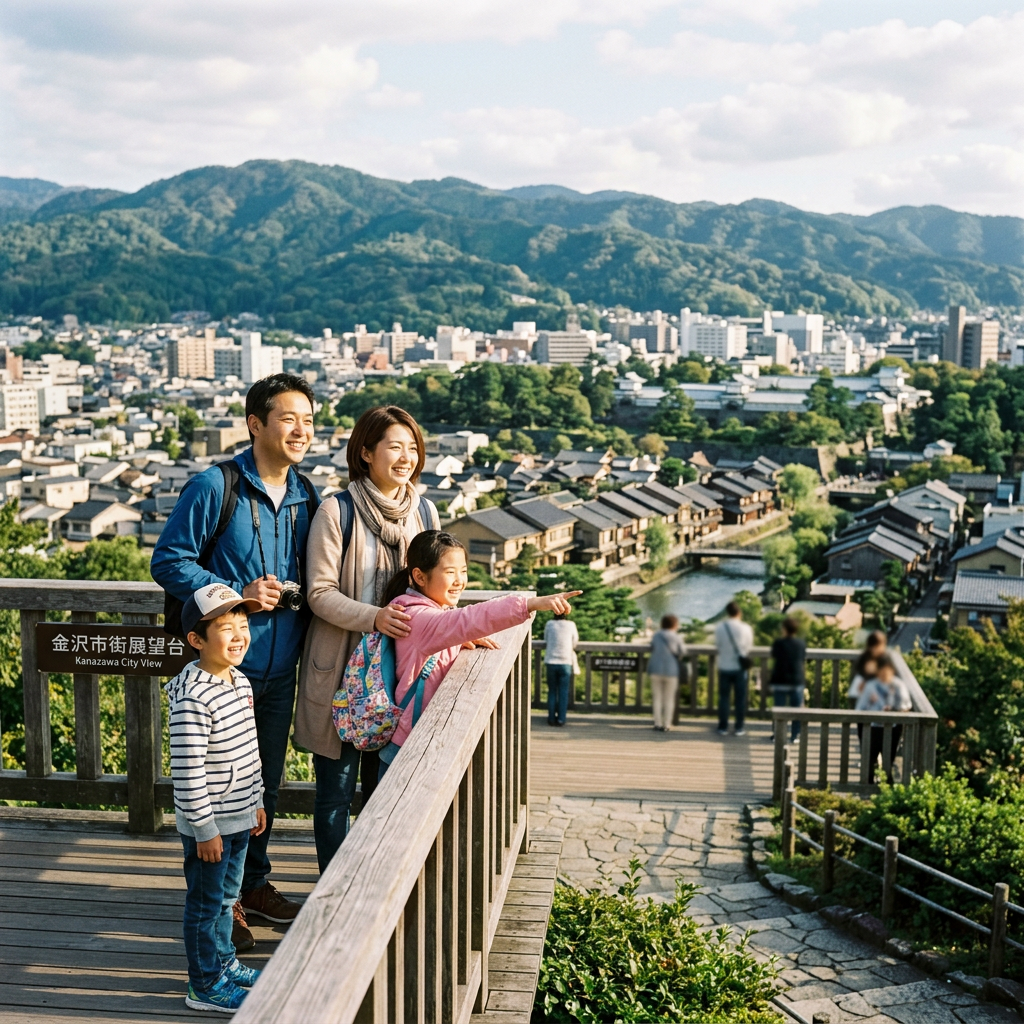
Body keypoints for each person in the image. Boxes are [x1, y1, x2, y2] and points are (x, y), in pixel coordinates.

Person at [152, 374, 318, 950]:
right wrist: (234, 593)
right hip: (224, 670)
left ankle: (254, 886)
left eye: (309, 420)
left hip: (279, 667)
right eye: (289, 418)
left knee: (259, 789)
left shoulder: (307, 495)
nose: (302, 430)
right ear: (255, 423)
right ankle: (222, 905)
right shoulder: (213, 486)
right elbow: (168, 560)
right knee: (214, 790)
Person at [295, 406, 439, 874]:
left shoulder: (425, 510)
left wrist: (459, 631)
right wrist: (375, 617)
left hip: (401, 672)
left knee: (389, 787)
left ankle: (376, 881)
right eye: (394, 446)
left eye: (412, 447)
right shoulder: (337, 511)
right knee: (336, 791)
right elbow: (318, 593)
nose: (406, 457)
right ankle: (332, 888)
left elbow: (438, 586)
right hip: (343, 669)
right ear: (365, 452)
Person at [376, 531, 582, 778]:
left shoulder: (423, 612)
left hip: (420, 738)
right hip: (409, 747)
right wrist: (530, 604)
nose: (459, 580)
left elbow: (449, 629)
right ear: (419, 576)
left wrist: (459, 639)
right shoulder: (419, 618)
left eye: (463, 571)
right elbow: (467, 618)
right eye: (450, 572)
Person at [167, 584, 265, 1013]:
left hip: (239, 816)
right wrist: (204, 831)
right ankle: (204, 983)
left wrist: (256, 800)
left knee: (228, 899)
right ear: (197, 640)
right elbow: (187, 774)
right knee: (206, 906)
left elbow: (249, 749)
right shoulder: (192, 696)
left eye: (243, 625)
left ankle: (224, 963)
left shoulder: (239, 679)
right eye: (226, 628)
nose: (239, 635)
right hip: (210, 827)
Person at [856, 653, 911, 783]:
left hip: (892, 728)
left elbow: (906, 706)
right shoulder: (870, 686)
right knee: (870, 759)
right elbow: (860, 708)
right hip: (872, 727)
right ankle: (868, 784)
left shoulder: (898, 685)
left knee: (888, 760)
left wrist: (893, 709)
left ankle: (887, 784)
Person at [715, 601, 754, 736]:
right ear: (739, 613)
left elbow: (718, 645)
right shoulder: (746, 628)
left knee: (724, 698)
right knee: (740, 698)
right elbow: (748, 647)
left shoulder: (720, 628)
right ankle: (739, 727)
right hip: (739, 668)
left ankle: (723, 727)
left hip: (724, 666)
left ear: (728, 613)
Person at [770, 617, 806, 742]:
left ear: (784, 629)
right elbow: (802, 658)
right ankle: (795, 735)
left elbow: (774, 655)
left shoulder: (778, 643)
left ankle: (777, 735)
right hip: (796, 679)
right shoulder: (800, 644)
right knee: (796, 710)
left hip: (780, 679)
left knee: (779, 709)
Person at [649, 615, 687, 732]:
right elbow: (682, 652)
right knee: (669, 699)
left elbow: (652, 647)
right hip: (671, 670)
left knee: (657, 698)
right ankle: (666, 724)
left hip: (655, 669)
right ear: (675, 624)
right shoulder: (677, 637)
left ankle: (657, 723)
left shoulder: (656, 635)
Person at [544, 611, 579, 727]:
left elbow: (546, 639)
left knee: (552, 691)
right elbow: (575, 642)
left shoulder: (550, 624)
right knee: (563, 692)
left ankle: (551, 718)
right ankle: (561, 719)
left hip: (551, 661)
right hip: (566, 661)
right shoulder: (571, 624)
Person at [848, 630, 888, 704]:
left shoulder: (884, 658)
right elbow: (859, 671)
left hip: (879, 686)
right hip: (865, 683)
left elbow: (886, 676)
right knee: (857, 690)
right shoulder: (865, 657)